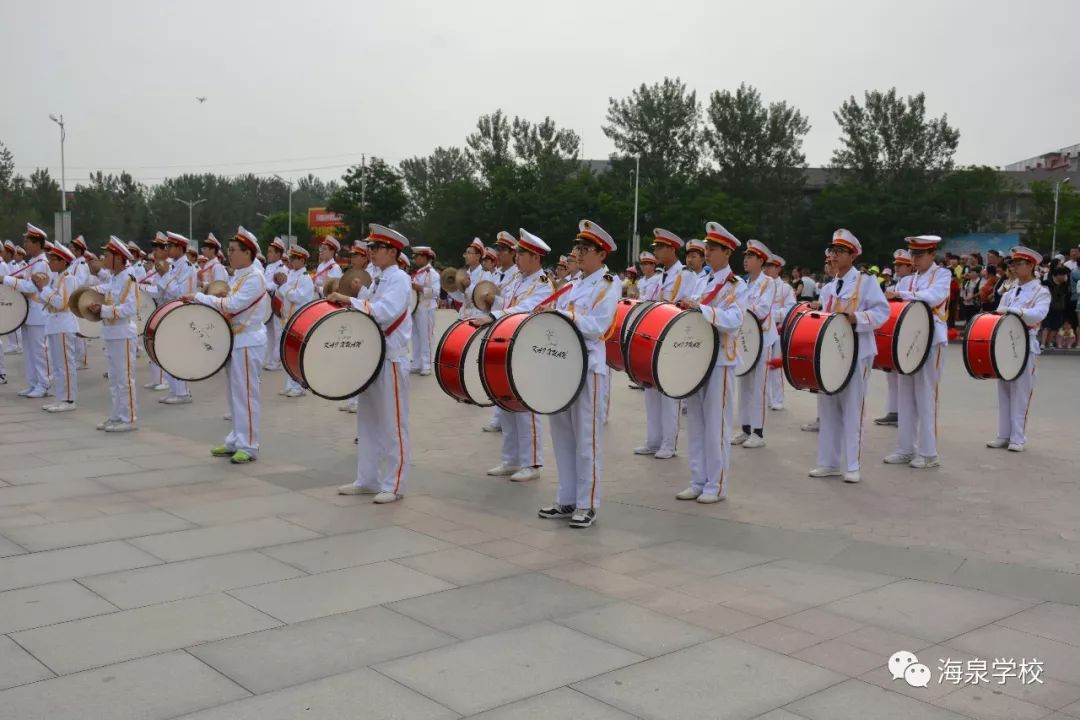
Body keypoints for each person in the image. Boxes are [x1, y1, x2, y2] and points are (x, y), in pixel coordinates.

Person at [537, 219, 618, 528]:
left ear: (601, 255)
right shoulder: (575, 284)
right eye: (579, 248)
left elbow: (598, 327)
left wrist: (562, 315)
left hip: (589, 369)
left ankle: (587, 503)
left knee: (587, 440)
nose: (579, 254)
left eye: (586, 249)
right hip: (563, 366)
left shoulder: (608, 285)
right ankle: (566, 498)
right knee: (562, 437)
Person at [333, 224, 413, 504]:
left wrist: (350, 301)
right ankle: (367, 478)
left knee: (393, 423)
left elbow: (385, 313)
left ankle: (394, 483)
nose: (371, 253)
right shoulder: (380, 278)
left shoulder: (400, 278)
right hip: (373, 356)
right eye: (371, 248)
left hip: (391, 357)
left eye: (376, 248)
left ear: (392, 252)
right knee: (367, 421)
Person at [674, 222, 747, 502]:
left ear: (727, 253)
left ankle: (715, 484)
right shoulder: (701, 281)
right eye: (707, 247)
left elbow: (735, 320)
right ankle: (697, 479)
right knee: (696, 422)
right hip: (697, 359)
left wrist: (701, 309)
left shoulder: (736, 285)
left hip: (721, 362)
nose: (707, 252)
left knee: (716, 424)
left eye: (713, 249)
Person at [809, 230, 890, 483]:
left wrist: (857, 318)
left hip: (858, 351)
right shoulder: (830, 287)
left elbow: (882, 312)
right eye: (833, 251)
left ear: (852, 256)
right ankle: (828, 462)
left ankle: (852, 465)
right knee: (828, 406)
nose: (834, 256)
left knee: (853, 407)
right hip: (831, 353)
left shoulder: (866, 282)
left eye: (840, 252)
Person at [184, 227, 270, 464]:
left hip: (248, 341)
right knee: (235, 394)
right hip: (236, 340)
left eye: (233, 250)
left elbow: (233, 305)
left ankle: (249, 444)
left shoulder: (254, 277)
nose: (229, 254)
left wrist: (202, 297)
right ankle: (236, 438)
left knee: (246, 393)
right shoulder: (239, 275)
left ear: (247, 253)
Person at [484, 229, 555, 483]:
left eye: (521, 254)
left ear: (535, 257)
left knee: (526, 407)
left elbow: (527, 309)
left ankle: (532, 462)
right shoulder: (518, 280)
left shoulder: (544, 283)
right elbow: (506, 303)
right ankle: (511, 458)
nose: (517, 258)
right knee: (506, 403)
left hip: (529, 349)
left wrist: (494, 315)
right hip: (508, 345)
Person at [884, 235, 950, 469]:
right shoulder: (908, 280)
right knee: (905, 396)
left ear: (932, 254)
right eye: (913, 255)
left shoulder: (942, 275)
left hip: (932, 340)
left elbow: (932, 297)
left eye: (920, 255)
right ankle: (904, 449)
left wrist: (902, 295)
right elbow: (890, 296)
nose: (915, 259)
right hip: (907, 341)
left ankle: (929, 453)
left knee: (925, 396)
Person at [634, 228, 694, 459]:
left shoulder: (686, 276)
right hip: (654, 338)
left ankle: (669, 443)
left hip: (672, 339)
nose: (656, 251)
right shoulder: (660, 277)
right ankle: (654, 440)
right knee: (651, 391)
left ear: (671, 249)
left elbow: (684, 307)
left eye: (660, 247)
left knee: (669, 394)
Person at [986, 246, 1051, 452]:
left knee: (1021, 393)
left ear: (1031, 265)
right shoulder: (1010, 291)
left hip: (1026, 344)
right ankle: (1003, 435)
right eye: (1013, 264)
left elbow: (1037, 315)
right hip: (1006, 344)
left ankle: (1018, 438)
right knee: (1004, 391)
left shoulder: (1042, 291)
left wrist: (1013, 310)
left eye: (1019, 264)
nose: (1014, 267)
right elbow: (999, 314)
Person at [89, 237, 139, 432]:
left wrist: (102, 310)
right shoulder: (115, 277)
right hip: (111, 332)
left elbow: (130, 308)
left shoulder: (129, 277)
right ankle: (117, 415)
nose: (103, 258)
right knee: (114, 378)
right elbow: (106, 290)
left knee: (125, 378)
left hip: (123, 332)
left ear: (118, 258)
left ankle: (129, 419)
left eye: (107, 255)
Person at [732, 238, 777, 448]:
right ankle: (745, 428)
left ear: (761, 260)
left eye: (751, 257)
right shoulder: (742, 283)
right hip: (744, 338)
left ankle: (758, 433)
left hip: (763, 339)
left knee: (759, 386)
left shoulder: (769, 283)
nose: (746, 261)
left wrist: (742, 310)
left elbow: (762, 310)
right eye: (746, 257)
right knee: (743, 385)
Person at [3, 224, 51, 398]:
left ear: (37, 244)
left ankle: (44, 384)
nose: (24, 244)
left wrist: (7, 280)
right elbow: (24, 278)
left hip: (38, 311)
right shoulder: (33, 262)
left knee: (39, 350)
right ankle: (33, 383)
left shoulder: (42, 264)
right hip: (27, 312)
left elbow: (32, 287)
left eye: (27, 241)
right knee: (29, 351)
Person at [35, 242, 81, 412]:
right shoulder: (57, 277)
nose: (51, 262)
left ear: (63, 262)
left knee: (65, 365)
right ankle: (61, 397)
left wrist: (44, 289)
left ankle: (69, 400)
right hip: (55, 324)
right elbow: (48, 298)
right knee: (57, 365)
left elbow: (62, 303)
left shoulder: (68, 278)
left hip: (63, 323)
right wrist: (42, 291)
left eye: (54, 259)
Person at [875, 249, 914, 426]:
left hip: (906, 330)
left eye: (900, 265)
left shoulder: (909, 282)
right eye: (896, 265)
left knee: (903, 376)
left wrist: (896, 295)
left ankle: (903, 412)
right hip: (894, 330)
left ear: (909, 267)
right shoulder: (898, 283)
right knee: (891, 374)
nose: (896, 268)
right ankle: (893, 411)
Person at [275, 246, 315, 398]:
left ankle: (299, 387)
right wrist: (281, 285)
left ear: (302, 260)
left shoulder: (305, 278)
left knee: (296, 355)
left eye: (294, 259)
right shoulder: (291, 274)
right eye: (290, 258)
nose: (290, 261)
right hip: (287, 319)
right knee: (287, 354)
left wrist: (284, 285)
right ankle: (290, 385)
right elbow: (282, 293)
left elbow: (297, 297)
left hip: (298, 320)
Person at [764, 253, 796, 411]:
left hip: (777, 329)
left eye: (770, 266)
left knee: (775, 366)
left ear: (778, 268)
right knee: (762, 365)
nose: (766, 269)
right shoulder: (762, 285)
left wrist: (774, 315)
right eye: (765, 266)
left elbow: (791, 308)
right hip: (762, 330)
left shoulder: (785, 288)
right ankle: (765, 398)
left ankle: (777, 399)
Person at [409, 246, 440, 376]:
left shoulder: (432, 273)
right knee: (415, 336)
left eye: (418, 256)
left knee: (425, 336)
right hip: (416, 307)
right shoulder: (419, 272)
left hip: (426, 308)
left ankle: (426, 364)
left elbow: (436, 292)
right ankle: (417, 363)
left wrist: (419, 288)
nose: (415, 259)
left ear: (424, 258)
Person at [262, 237, 287, 371]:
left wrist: (265, 286)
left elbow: (280, 285)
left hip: (277, 303)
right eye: (268, 251)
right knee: (269, 332)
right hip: (268, 303)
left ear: (278, 254)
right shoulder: (270, 266)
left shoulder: (281, 268)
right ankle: (269, 358)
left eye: (271, 252)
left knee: (278, 332)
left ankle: (277, 361)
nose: (268, 254)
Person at [449, 237, 486, 320]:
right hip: (463, 315)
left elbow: (483, 298)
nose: (466, 256)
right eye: (465, 253)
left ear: (478, 256)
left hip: (478, 316)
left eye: (469, 253)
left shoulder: (485, 275)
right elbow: (462, 298)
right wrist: (451, 288)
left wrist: (468, 285)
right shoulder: (465, 273)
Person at [1042, 266, 1072, 348]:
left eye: (1065, 275)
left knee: (1055, 326)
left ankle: (1049, 342)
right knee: (1046, 325)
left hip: (1059, 308)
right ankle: (1043, 343)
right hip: (1047, 307)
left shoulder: (1065, 285)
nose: (1064, 277)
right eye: (1063, 275)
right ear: (1057, 275)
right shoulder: (1046, 283)